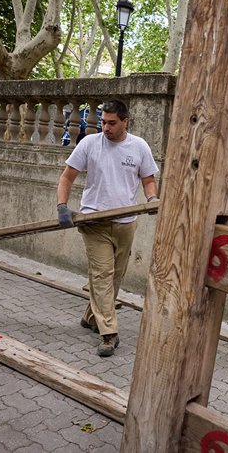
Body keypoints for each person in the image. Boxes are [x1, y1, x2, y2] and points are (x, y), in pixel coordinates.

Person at [56, 100, 159, 357]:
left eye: (112, 123)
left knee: (114, 278)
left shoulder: (139, 146)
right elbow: (67, 176)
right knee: (102, 275)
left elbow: (148, 180)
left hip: (126, 223)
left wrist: (152, 198)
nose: (106, 127)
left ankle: (91, 316)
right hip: (94, 222)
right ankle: (109, 333)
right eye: (103, 121)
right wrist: (62, 206)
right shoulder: (90, 143)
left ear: (126, 121)